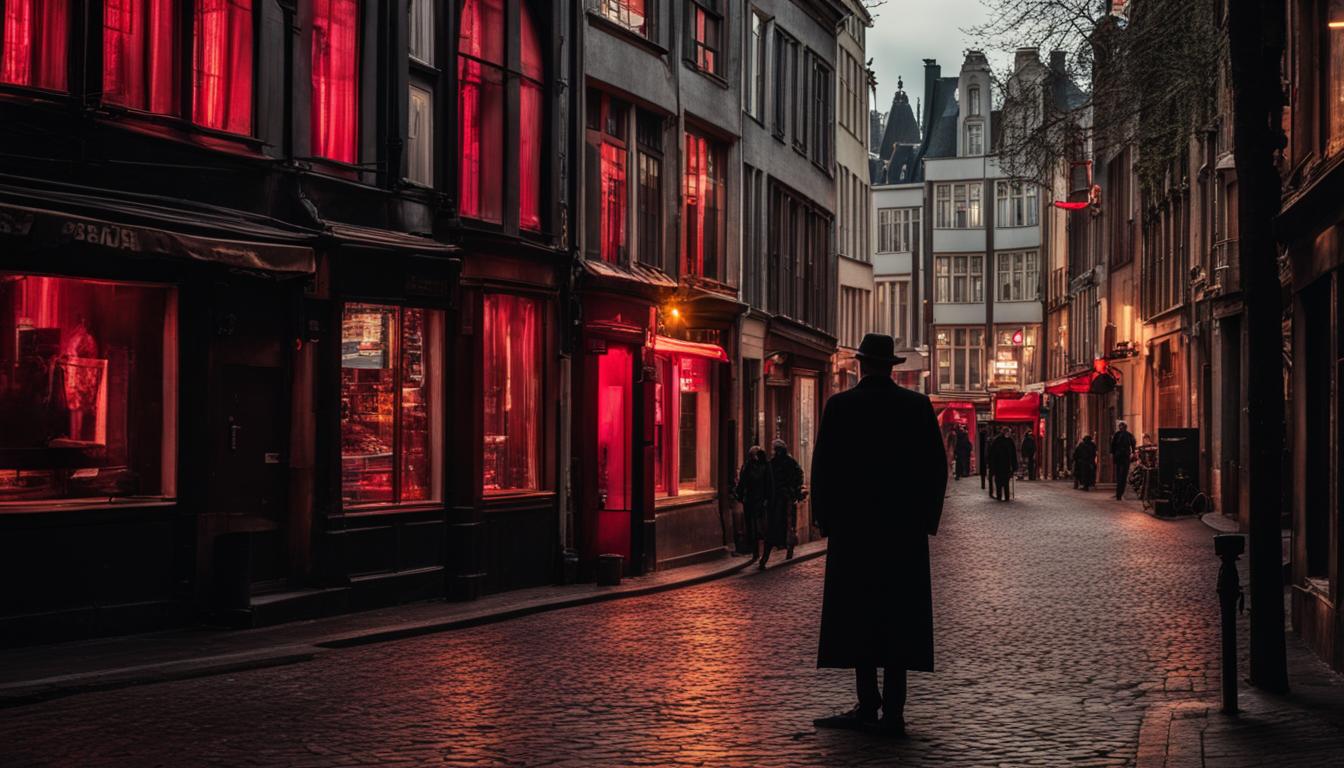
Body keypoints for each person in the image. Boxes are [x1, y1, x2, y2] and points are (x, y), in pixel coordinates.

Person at [810, 334, 947, 737]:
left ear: (860, 365)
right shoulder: (916, 407)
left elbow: (824, 469)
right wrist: (925, 520)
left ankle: (867, 702)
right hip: (902, 535)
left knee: (859, 617)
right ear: (893, 367)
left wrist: (827, 521)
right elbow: (935, 469)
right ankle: (895, 710)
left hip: (855, 534)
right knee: (899, 620)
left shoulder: (840, 407)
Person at [733, 446, 774, 565]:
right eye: (751, 455)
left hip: (761, 502)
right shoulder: (747, 466)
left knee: (762, 529)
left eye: (754, 455)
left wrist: (768, 500)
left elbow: (769, 484)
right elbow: (742, 483)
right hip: (750, 501)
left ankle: (764, 554)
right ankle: (755, 552)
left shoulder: (765, 466)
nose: (753, 457)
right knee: (752, 529)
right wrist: (740, 495)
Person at [768, 439, 805, 564]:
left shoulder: (784, 462)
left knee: (788, 523)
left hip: (785, 497)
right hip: (779, 497)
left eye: (777, 449)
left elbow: (799, 474)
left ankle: (788, 546)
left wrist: (795, 489)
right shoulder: (776, 463)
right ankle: (783, 544)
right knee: (782, 522)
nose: (776, 452)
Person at [987, 428, 1018, 501]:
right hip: (1000, 465)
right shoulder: (999, 441)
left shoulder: (1008, 441)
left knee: (1004, 481)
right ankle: (1001, 496)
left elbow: (1013, 454)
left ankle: (1004, 496)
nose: (1009, 434)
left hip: (1005, 465)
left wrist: (1014, 466)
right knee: (1000, 482)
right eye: (1008, 432)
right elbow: (993, 454)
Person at [1110, 422, 1137, 500]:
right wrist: (1133, 452)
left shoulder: (1118, 435)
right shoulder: (1126, 435)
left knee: (1120, 475)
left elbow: (1113, 446)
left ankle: (1119, 493)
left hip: (1121, 457)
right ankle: (1119, 493)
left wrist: (1113, 454)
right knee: (1122, 475)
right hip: (1123, 457)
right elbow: (1133, 443)